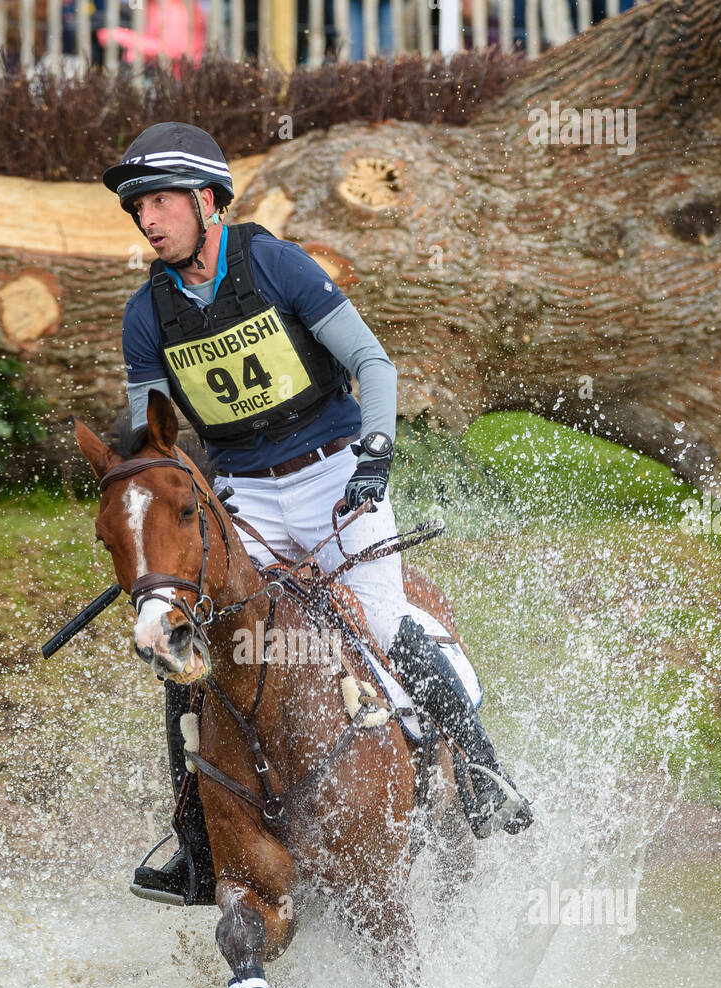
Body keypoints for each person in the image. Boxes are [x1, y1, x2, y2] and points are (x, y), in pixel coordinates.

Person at [103, 123, 532, 906]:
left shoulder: (274, 264)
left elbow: (373, 363)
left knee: (385, 621)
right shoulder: (147, 317)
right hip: (244, 500)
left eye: (160, 202)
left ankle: (478, 768)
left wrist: (375, 450)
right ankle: (195, 843)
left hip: (335, 474)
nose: (149, 220)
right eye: (139, 210)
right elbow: (153, 445)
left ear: (206, 202)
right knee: (189, 662)